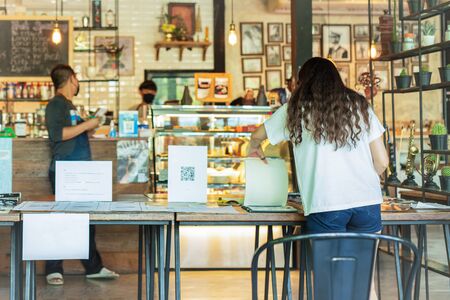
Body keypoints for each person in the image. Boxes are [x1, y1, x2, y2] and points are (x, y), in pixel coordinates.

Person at [248, 57, 388, 234]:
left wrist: (254, 146)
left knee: (327, 262)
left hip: (326, 202)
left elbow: (257, 135)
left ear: (303, 82)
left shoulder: (295, 109)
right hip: (367, 201)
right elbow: (382, 162)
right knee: (362, 261)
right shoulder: (360, 105)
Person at [45, 64, 119, 285]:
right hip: (65, 170)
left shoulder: (69, 106)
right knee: (62, 221)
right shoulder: (55, 104)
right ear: (72, 79)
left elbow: (74, 132)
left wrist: (91, 125)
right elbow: (58, 135)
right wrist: (88, 124)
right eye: (77, 78)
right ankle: (53, 269)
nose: (78, 83)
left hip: (78, 170)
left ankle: (93, 267)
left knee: (86, 220)